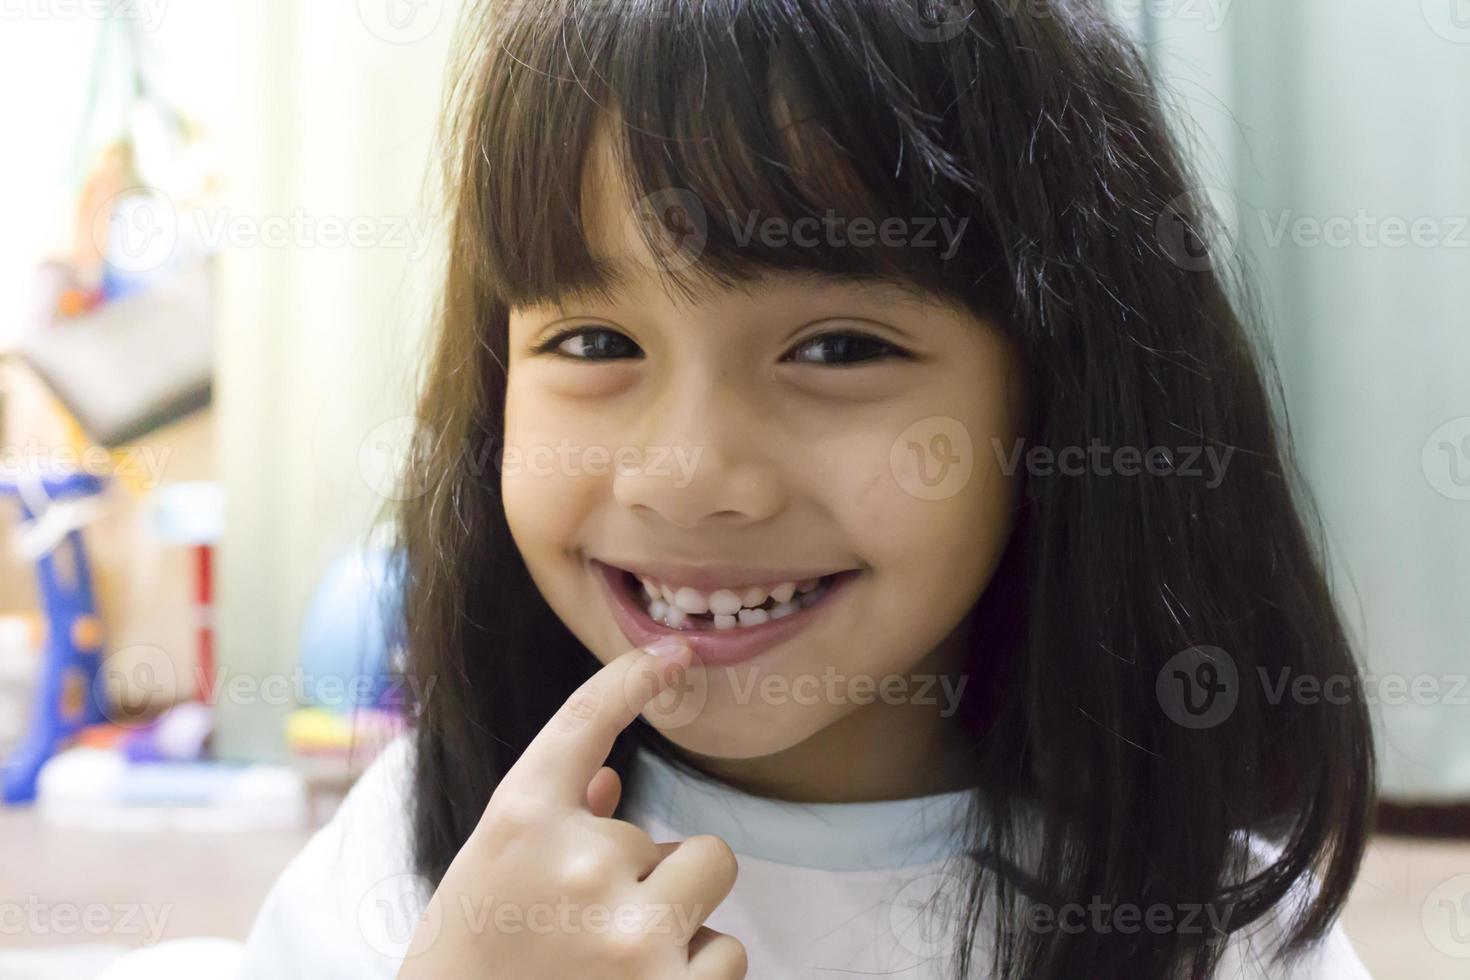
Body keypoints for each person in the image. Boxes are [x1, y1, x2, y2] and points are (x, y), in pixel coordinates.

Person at [239, 1, 1376, 976]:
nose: (685, 478)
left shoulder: (1214, 924)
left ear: (1059, 397)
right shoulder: (428, 858)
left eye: (836, 349)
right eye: (592, 342)